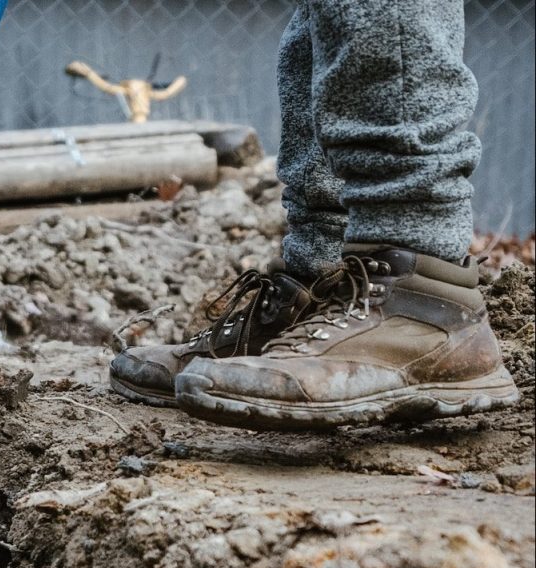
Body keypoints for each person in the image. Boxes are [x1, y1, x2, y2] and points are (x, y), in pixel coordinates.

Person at [109, 0, 519, 430]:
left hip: (423, 293)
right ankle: (321, 286)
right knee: (326, 18)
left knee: (384, 14)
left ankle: (418, 300)